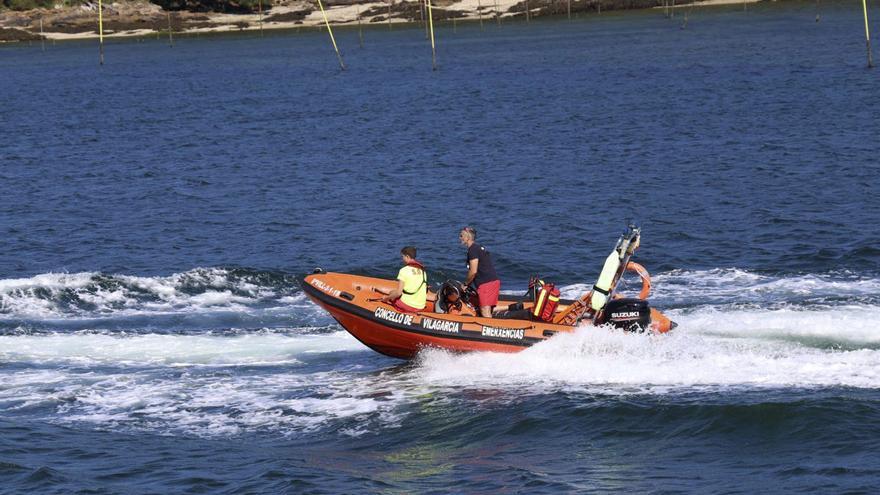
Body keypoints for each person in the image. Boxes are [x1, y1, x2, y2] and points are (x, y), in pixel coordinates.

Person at [459, 226, 501, 318]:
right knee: (488, 309)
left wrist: (465, 284)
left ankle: (490, 330)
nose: (460, 238)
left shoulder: (472, 250)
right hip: (492, 281)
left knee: (485, 311)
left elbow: (473, 271)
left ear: (468, 237)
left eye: (461, 236)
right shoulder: (477, 248)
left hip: (486, 283)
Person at [378, 246, 427, 313]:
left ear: (407, 256)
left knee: (392, 295)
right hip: (421, 306)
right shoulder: (423, 271)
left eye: (402, 256)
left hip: (409, 306)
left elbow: (398, 293)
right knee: (392, 292)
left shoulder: (404, 270)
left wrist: (386, 299)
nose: (402, 259)